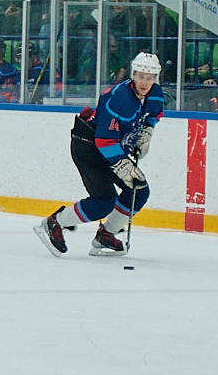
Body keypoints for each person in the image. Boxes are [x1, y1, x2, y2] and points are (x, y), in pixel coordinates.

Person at [36, 51, 163, 258]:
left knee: (139, 191)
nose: (144, 82)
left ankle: (106, 235)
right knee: (104, 202)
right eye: (140, 76)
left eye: (149, 78)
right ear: (133, 74)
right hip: (88, 147)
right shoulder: (118, 98)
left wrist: (146, 133)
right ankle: (53, 223)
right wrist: (123, 166)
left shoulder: (155, 93)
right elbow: (104, 140)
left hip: (112, 150)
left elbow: (153, 114)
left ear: (156, 78)